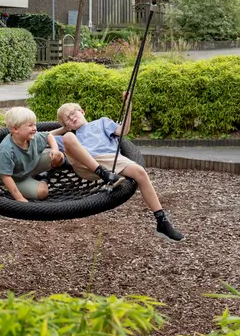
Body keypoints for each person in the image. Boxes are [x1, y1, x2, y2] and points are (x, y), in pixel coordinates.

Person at [48, 97, 185, 242]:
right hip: (85, 165)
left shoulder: (102, 122)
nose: (72, 118)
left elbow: (124, 130)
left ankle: (161, 221)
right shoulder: (72, 135)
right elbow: (48, 135)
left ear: (82, 111)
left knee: (140, 172)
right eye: (67, 119)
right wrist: (65, 129)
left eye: (73, 113)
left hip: (110, 159)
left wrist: (128, 106)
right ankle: (105, 174)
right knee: (68, 138)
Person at [0, 107, 65, 202]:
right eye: (30, 125)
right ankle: (44, 178)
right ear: (15, 129)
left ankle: (38, 175)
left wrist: (55, 149)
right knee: (43, 192)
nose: (35, 128)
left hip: (31, 167)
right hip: (17, 179)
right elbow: (6, 177)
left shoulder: (32, 137)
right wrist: (19, 198)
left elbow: (48, 135)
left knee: (59, 156)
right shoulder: (6, 150)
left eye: (35, 124)